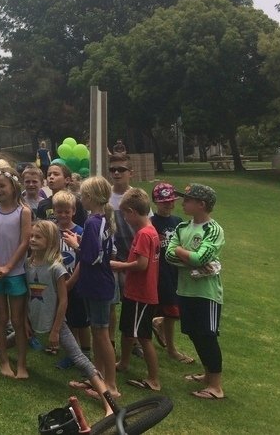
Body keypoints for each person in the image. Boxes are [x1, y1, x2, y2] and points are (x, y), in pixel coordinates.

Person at [27, 220, 113, 416]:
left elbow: (63, 301)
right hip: (34, 322)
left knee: (81, 360)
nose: (32, 239)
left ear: (50, 241)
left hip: (55, 324)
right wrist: (25, 321)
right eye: (31, 236)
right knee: (14, 338)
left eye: (38, 237)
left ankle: (108, 403)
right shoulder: (28, 264)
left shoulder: (56, 268)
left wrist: (56, 331)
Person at [165, 183, 226, 400]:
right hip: (185, 290)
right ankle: (207, 375)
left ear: (201, 204)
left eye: (188, 200)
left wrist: (181, 251)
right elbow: (168, 255)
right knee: (194, 334)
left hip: (206, 293)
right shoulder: (182, 227)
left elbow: (202, 257)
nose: (183, 203)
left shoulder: (213, 230)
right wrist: (189, 258)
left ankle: (216, 387)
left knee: (207, 336)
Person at [70, 176, 120, 398]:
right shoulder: (102, 219)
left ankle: (111, 385)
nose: (81, 199)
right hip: (97, 283)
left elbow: (92, 257)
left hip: (98, 284)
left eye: (82, 195)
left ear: (90, 197)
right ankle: (97, 378)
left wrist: (75, 245)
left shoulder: (92, 222)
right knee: (97, 332)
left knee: (101, 334)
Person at [110, 188, 162, 391]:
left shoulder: (144, 234)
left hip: (142, 294)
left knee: (143, 336)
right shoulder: (151, 231)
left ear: (132, 212)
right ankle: (123, 363)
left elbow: (141, 264)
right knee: (127, 330)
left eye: (125, 214)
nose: (124, 218)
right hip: (134, 292)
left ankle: (153, 379)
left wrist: (119, 265)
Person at [0, 166, 31, 378]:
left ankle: (21, 363)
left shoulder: (23, 212)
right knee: (1, 317)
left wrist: (9, 266)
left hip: (16, 272)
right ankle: (3, 361)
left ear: (13, 187)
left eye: (2, 186)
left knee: (18, 320)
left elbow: (24, 242)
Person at [150, 183, 194, 364]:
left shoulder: (178, 222)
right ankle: (142, 342)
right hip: (156, 271)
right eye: (164, 202)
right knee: (155, 307)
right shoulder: (151, 223)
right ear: (156, 202)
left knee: (173, 310)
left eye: (171, 201)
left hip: (174, 271)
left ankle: (170, 346)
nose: (168, 204)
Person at [108, 153, 145, 358]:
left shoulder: (137, 197)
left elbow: (146, 226)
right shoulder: (105, 195)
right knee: (111, 303)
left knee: (133, 302)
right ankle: (110, 342)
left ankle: (135, 341)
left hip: (134, 258)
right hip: (112, 258)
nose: (116, 173)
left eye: (121, 169)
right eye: (112, 169)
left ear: (131, 172)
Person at [52, 190, 90, 369]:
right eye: (59, 211)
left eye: (67, 211)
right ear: (54, 211)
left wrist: (72, 281)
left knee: (81, 320)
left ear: (74, 211)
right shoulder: (52, 232)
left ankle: (86, 352)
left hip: (77, 283)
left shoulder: (80, 232)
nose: (63, 215)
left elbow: (84, 259)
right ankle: (72, 354)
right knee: (67, 320)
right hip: (58, 282)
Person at [35, 163, 87, 227]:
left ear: (67, 180)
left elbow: (82, 226)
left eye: (56, 174)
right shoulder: (43, 204)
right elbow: (39, 228)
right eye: (49, 175)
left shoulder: (76, 202)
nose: (51, 177)